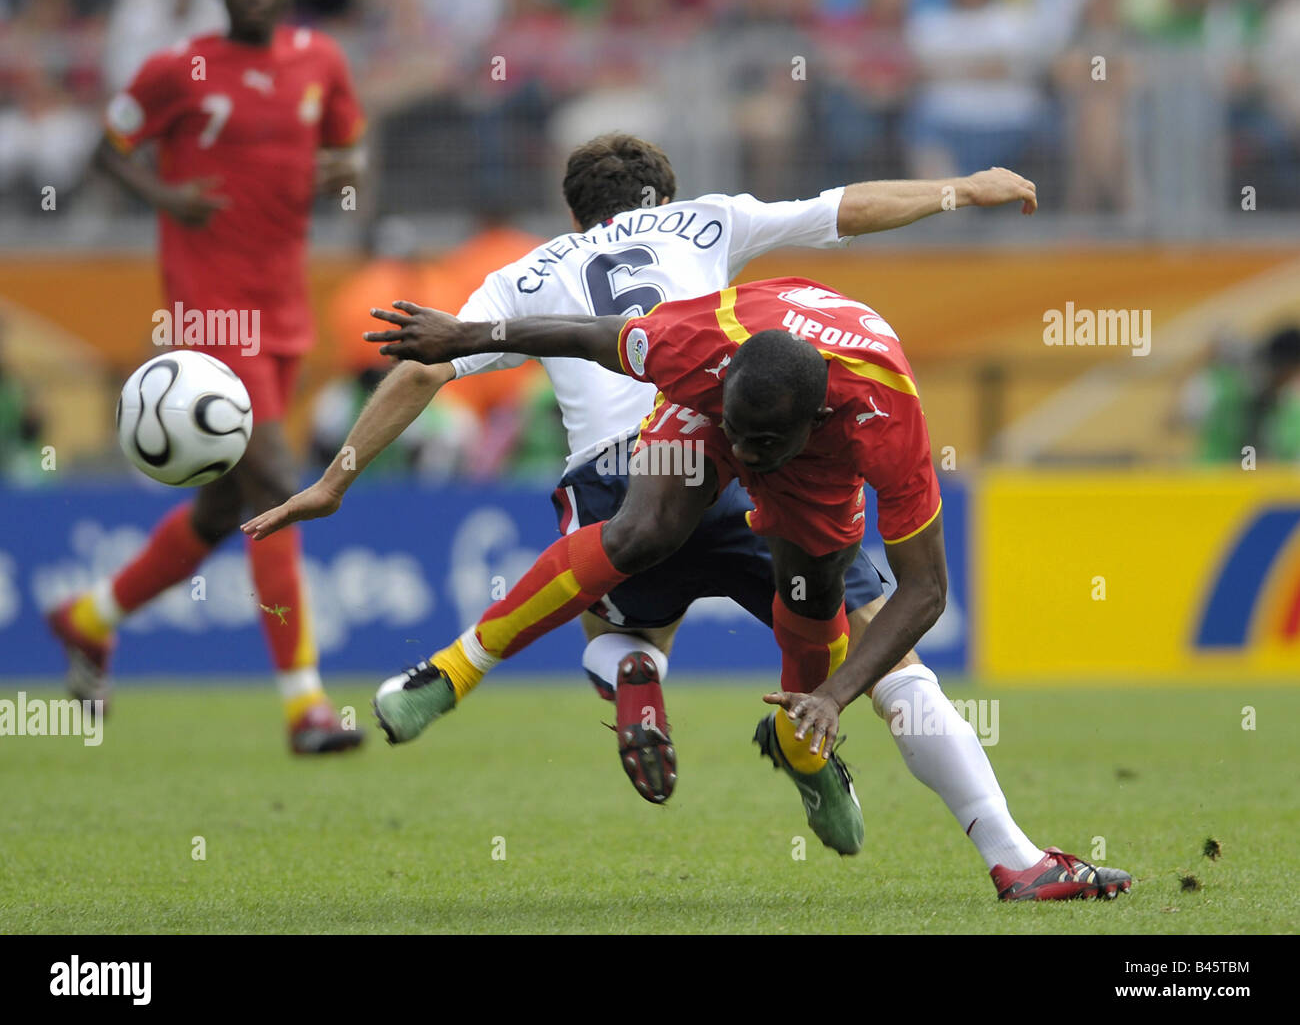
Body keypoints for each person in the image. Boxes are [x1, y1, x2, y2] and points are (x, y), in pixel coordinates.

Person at [244, 134, 1035, 808]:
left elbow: (423, 368)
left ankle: (621, 668)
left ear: (576, 213)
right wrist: (958, 190)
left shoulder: (524, 274)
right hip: (732, 440)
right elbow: (842, 211)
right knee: (884, 665)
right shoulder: (706, 219)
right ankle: (830, 760)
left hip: (610, 472)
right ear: (661, 196)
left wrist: (335, 478)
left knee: (614, 618)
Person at [357, 276, 1134, 902]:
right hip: (692, 412)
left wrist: (834, 695)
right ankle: (455, 668)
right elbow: (586, 334)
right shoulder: (697, 350)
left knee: (811, 614)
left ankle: (804, 747)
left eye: (765, 443)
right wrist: (468, 338)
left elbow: (925, 591)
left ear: (814, 416)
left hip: (817, 481)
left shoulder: (880, 416)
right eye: (742, 434)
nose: (747, 456)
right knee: (640, 533)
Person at [46, 0, 366, 754]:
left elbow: (348, 156)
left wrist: (343, 184)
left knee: (227, 508)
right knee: (279, 485)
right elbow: (104, 152)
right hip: (211, 311)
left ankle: (89, 618)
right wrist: (166, 196)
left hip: (285, 308)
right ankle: (307, 706)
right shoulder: (176, 70)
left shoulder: (321, 61)